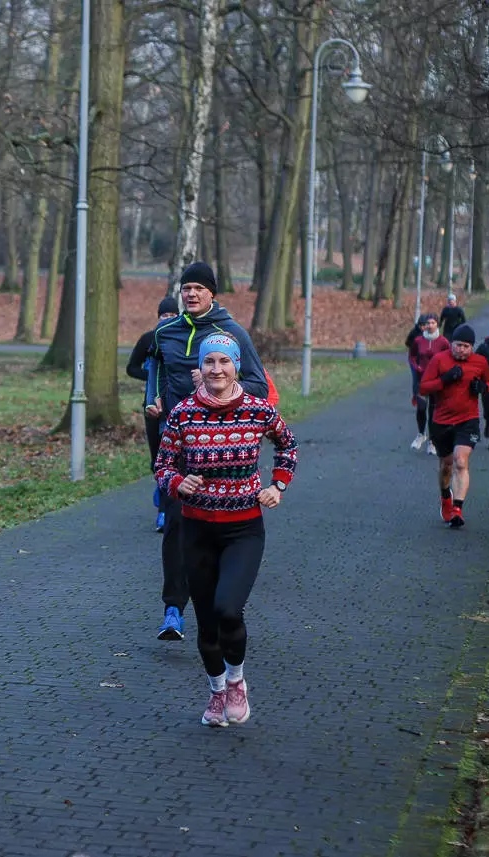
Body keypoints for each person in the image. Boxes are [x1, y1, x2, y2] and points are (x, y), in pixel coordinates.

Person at [153, 333, 298, 727]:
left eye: (225, 362)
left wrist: (277, 485)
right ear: (200, 368)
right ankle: (217, 692)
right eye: (210, 362)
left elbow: (288, 446)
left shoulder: (257, 410)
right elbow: (163, 465)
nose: (217, 369)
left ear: (237, 366)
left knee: (227, 610)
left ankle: (237, 682)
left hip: (243, 530)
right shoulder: (182, 414)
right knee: (206, 622)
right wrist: (176, 483)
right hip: (198, 531)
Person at [145, 261, 268, 642]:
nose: (192, 293)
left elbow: (259, 387)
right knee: (176, 524)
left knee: (219, 529)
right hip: (180, 445)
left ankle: (225, 601)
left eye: (199, 287)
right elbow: (155, 367)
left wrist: (215, 378)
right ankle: (172, 609)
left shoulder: (232, 333)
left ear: (213, 293)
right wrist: (155, 399)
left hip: (225, 452)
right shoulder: (166, 330)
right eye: (187, 288)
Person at [418, 324, 489, 528]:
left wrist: (482, 387)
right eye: (458, 345)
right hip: (441, 422)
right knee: (446, 466)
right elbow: (423, 387)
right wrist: (445, 379)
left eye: (466, 346)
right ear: (451, 344)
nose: (461, 350)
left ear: (471, 347)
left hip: (467, 420)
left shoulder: (480, 362)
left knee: (461, 461)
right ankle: (445, 497)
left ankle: (457, 510)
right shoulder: (439, 360)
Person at [127, 295, 180, 532]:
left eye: (171, 315)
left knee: (176, 459)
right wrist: (149, 376)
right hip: (152, 408)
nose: (167, 319)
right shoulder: (148, 340)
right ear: (158, 317)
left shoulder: (181, 340)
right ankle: (162, 502)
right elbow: (131, 367)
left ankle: (169, 510)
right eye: (164, 315)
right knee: (158, 459)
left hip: (177, 408)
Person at [407, 313, 449, 453]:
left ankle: (432, 441)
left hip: (436, 381)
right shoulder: (418, 340)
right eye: (428, 323)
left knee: (433, 411)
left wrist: (443, 372)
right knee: (421, 407)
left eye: (432, 322)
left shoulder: (443, 342)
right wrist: (416, 367)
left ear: (437, 324)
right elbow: (412, 355)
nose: (430, 325)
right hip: (421, 380)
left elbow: (449, 358)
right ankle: (420, 435)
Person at [476, 327, 489, 449]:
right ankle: (488, 422)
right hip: (487, 383)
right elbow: (473, 361)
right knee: (487, 410)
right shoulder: (483, 348)